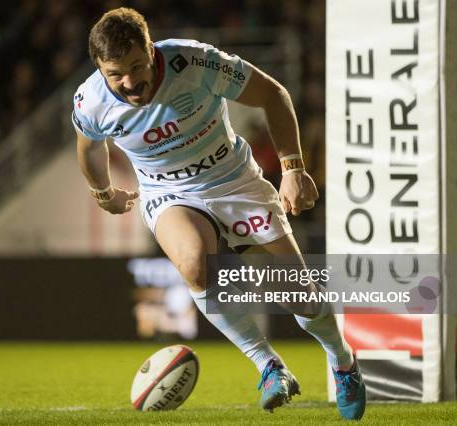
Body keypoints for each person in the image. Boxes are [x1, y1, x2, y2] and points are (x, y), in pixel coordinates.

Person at [73, 8, 365, 420]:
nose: (129, 82)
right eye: (115, 73)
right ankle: (268, 365)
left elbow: (272, 94)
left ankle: (343, 362)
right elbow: (88, 147)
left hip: (235, 181)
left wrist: (294, 169)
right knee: (194, 264)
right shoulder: (91, 102)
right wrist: (102, 191)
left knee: (298, 295)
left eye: (137, 67)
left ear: (151, 50)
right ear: (101, 68)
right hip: (169, 192)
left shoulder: (192, 62)